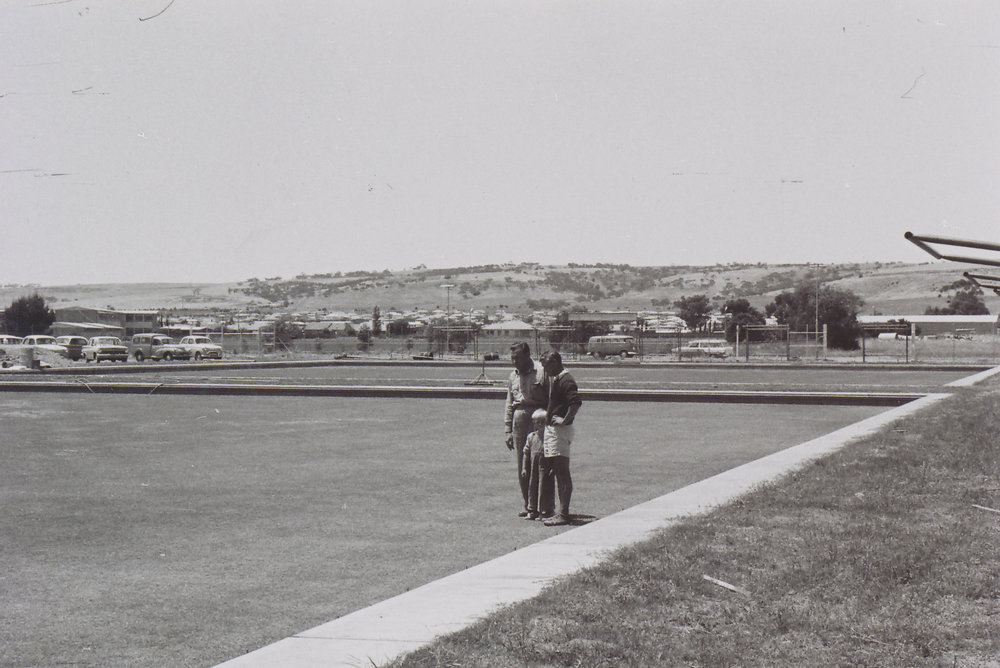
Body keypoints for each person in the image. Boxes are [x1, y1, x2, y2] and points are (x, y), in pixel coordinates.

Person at [504, 342, 547, 517]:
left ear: (528, 355)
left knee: (540, 461)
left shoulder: (541, 371)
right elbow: (509, 403)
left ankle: (543, 505)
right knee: (523, 462)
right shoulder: (512, 376)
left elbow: (550, 396)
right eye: (512, 358)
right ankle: (528, 504)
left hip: (539, 417)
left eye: (518, 358)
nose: (514, 361)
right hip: (520, 418)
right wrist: (508, 430)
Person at [539, 350, 581, 527]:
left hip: (560, 432)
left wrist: (564, 420)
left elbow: (575, 403)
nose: (545, 370)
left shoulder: (566, 380)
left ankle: (563, 514)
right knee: (556, 470)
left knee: (562, 471)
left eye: (546, 366)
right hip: (553, 431)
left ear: (555, 362)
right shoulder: (556, 379)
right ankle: (559, 511)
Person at [521, 408, 554, 520]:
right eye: (537, 422)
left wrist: (553, 467)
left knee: (544, 488)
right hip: (533, 467)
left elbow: (554, 454)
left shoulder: (550, 437)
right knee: (532, 487)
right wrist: (524, 468)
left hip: (545, 467)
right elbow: (526, 453)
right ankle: (532, 510)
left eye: (542, 422)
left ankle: (545, 511)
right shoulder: (531, 437)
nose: (540, 425)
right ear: (534, 423)